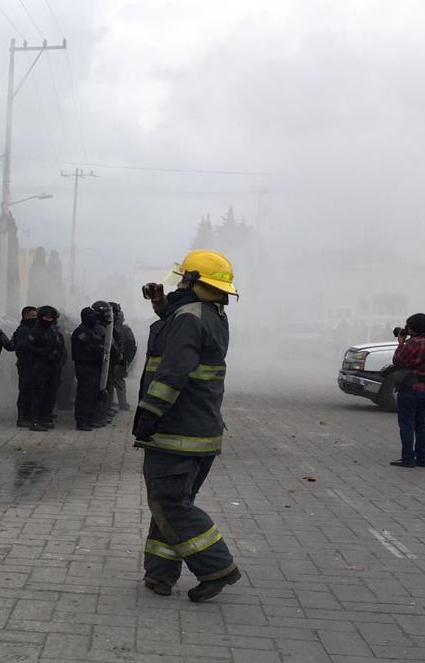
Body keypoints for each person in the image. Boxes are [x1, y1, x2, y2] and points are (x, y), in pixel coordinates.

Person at [133, 250, 241, 602]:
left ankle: (217, 567)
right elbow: (182, 330)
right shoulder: (211, 314)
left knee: (170, 504)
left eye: (183, 280)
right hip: (201, 430)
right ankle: (160, 575)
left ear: (194, 281)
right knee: (172, 503)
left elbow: (173, 370)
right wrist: (162, 304)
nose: (179, 283)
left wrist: (150, 410)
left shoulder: (189, 318)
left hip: (177, 431)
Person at [389, 313, 425, 467]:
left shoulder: (414, 343)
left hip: (410, 388)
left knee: (407, 424)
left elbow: (398, 360)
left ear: (414, 328)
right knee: (422, 425)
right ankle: (423, 458)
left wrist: (400, 343)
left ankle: (408, 458)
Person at [25, 306, 64, 432]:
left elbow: (60, 347)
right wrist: (43, 352)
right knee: (38, 395)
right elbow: (28, 347)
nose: (49, 319)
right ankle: (34, 421)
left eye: (51, 317)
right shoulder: (35, 331)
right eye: (47, 317)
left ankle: (44, 418)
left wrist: (59, 358)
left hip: (52, 367)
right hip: (39, 367)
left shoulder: (53, 330)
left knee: (50, 394)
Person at [71, 306, 106, 431]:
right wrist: (101, 348)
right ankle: (81, 421)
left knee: (92, 394)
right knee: (84, 395)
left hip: (93, 366)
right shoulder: (81, 332)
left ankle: (90, 419)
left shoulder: (91, 331)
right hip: (84, 366)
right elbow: (89, 347)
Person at [13, 307, 37, 427]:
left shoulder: (31, 329)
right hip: (25, 365)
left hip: (32, 365)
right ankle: (22, 418)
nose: (35, 318)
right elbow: (22, 347)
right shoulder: (23, 330)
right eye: (33, 316)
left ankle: (28, 416)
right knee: (25, 391)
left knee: (31, 391)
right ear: (25, 316)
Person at [113, 303, 138, 412]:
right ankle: (120, 404)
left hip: (119, 360)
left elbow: (132, 346)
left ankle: (121, 404)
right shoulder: (123, 330)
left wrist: (126, 360)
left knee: (117, 381)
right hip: (118, 360)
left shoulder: (124, 330)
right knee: (116, 382)